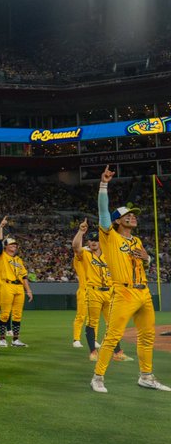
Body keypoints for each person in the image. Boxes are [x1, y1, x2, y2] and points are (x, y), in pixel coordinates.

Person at [90, 165, 168, 393]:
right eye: (128, 215)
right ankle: (98, 377)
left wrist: (148, 258)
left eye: (134, 215)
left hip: (143, 291)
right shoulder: (110, 237)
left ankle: (146, 376)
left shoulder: (136, 241)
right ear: (116, 221)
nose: (133, 216)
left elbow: (143, 263)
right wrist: (104, 184)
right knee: (113, 336)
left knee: (147, 336)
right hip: (123, 292)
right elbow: (103, 212)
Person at [71, 218, 129, 364]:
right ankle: (93, 352)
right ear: (88, 242)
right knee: (92, 322)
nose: (94, 242)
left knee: (113, 324)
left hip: (110, 292)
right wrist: (81, 232)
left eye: (96, 240)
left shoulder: (108, 255)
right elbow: (75, 246)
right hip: (94, 292)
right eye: (91, 240)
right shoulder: (85, 254)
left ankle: (118, 353)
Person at [0, 217, 33, 348]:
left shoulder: (19, 260)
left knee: (17, 315)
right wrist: (1, 227)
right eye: (11, 244)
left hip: (19, 287)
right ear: (6, 246)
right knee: (5, 313)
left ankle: (15, 339)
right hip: (7, 285)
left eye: (15, 245)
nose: (14, 246)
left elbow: (24, 276)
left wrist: (28, 290)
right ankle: (2, 339)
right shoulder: (1, 256)